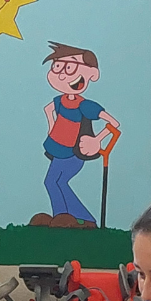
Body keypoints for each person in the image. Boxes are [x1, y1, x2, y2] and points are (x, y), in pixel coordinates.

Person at [31, 43, 120, 229]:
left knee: (53, 182)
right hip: (58, 150)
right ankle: (67, 217)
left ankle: (78, 218)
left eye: (69, 68)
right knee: (55, 182)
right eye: (57, 66)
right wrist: (51, 127)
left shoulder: (84, 106)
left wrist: (97, 140)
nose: (62, 74)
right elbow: (48, 109)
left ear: (92, 74)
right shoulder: (60, 100)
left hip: (73, 153)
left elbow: (114, 123)